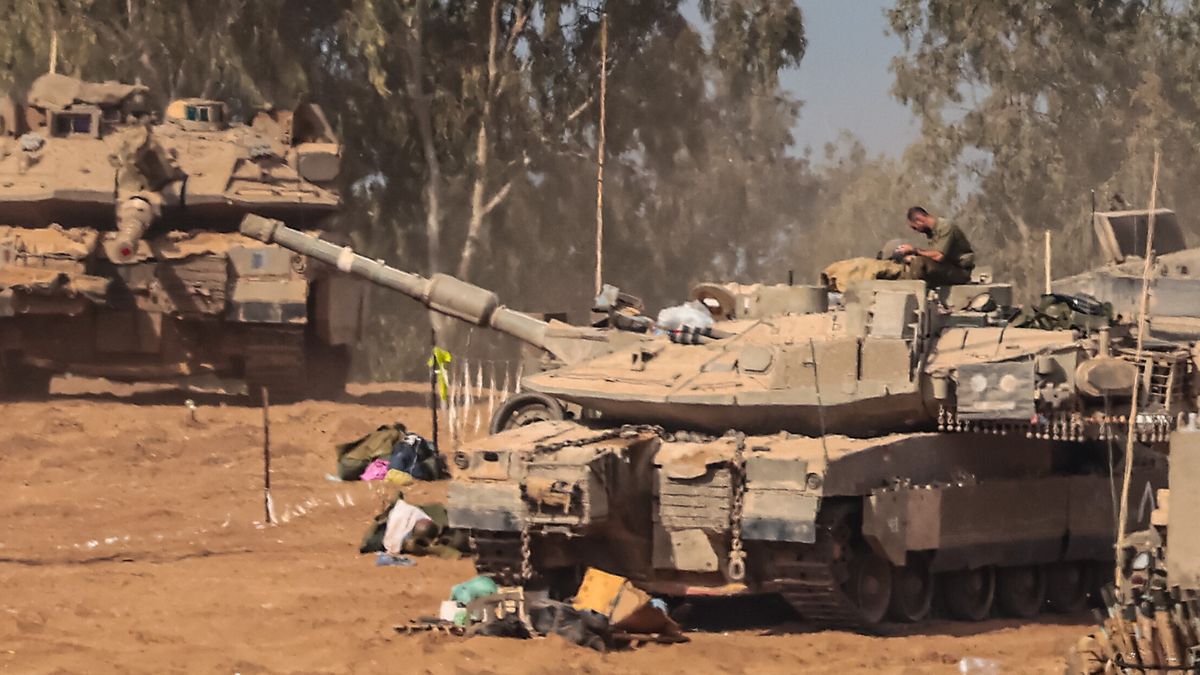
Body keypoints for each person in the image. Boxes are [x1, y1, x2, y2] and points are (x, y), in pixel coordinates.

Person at [896, 206, 975, 286]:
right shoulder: (932, 233)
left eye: (915, 227)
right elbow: (932, 256)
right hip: (947, 267)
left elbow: (939, 256)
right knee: (911, 264)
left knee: (919, 262)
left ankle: (915, 292)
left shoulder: (945, 227)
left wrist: (914, 250)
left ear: (920, 220)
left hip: (960, 271)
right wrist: (912, 257)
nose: (916, 231)